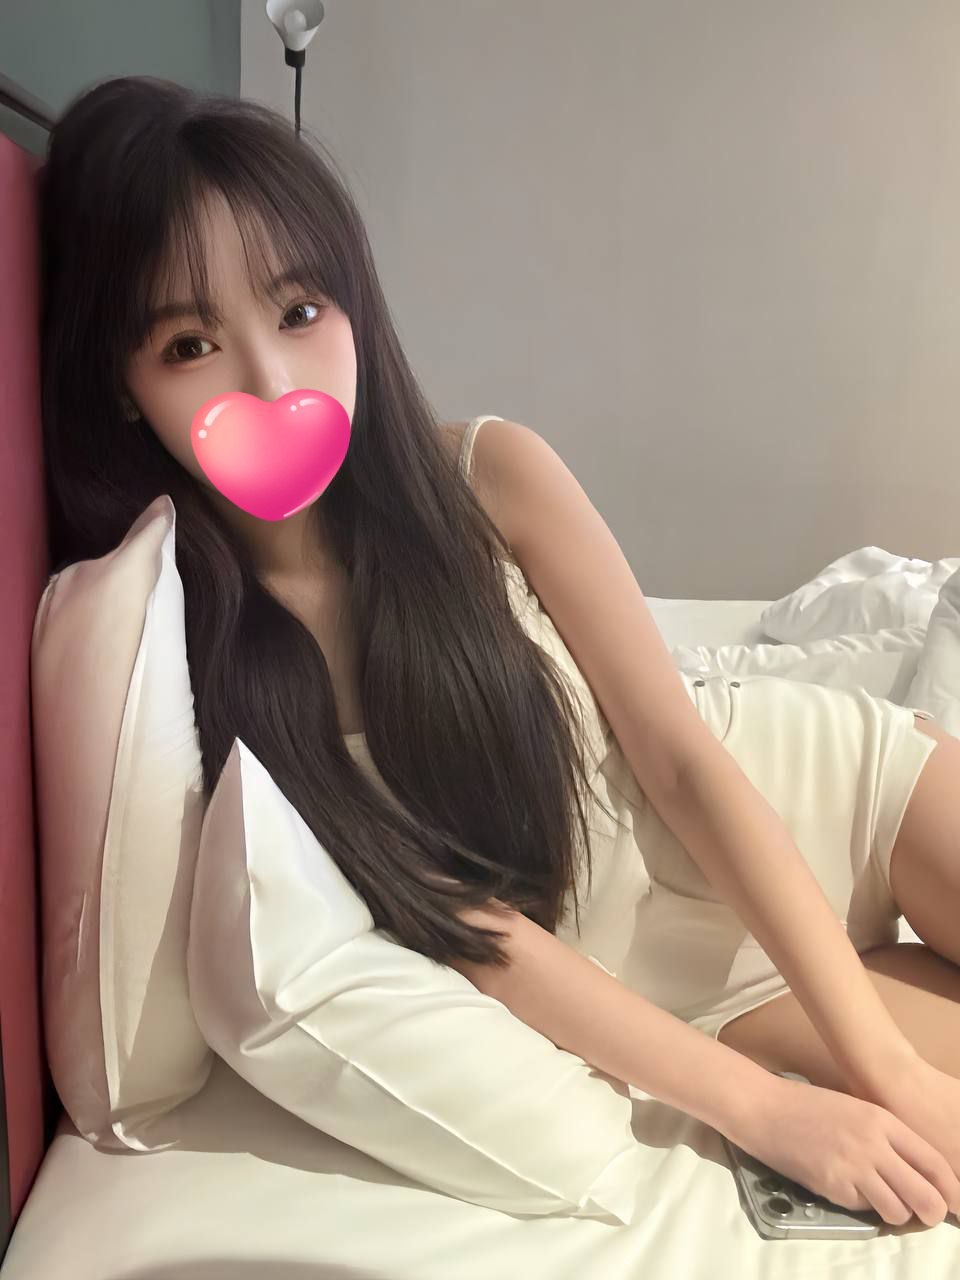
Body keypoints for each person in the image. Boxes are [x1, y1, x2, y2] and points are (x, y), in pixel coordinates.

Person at [37, 75, 960, 1228]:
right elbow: (477, 935)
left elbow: (679, 755)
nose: (271, 381)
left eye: (300, 310)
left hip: (830, 800)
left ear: (354, 306)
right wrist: (768, 1110)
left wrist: (887, 1067)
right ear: (125, 390)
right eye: (190, 343)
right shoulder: (193, 656)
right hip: (698, 993)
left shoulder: (488, 473)